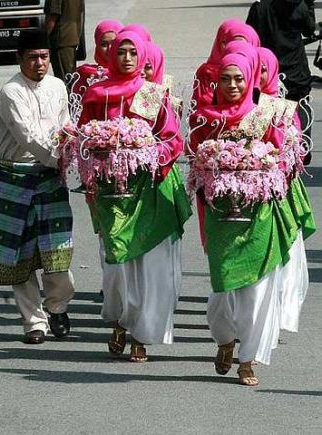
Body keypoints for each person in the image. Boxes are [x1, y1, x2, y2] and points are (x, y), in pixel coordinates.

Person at [188, 51, 315, 385]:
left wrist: (262, 167)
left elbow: (285, 159)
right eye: (226, 78)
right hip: (220, 216)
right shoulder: (206, 118)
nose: (232, 85)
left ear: (250, 81)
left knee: (256, 291)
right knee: (221, 291)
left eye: (239, 78)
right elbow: (193, 160)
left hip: (258, 214)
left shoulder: (268, 115)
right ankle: (225, 340)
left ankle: (248, 360)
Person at [79, 31, 192, 362]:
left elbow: (172, 140)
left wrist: (144, 152)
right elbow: (82, 138)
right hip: (111, 192)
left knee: (147, 265)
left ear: (142, 58)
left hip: (148, 190)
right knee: (117, 266)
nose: (127, 58)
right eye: (121, 52)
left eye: (133, 53)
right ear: (112, 56)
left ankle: (141, 336)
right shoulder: (97, 94)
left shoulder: (152, 95)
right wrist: (100, 147)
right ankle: (120, 321)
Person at [0, 30, 75, 345]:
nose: (40, 63)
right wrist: (58, 159)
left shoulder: (58, 86)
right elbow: (28, 136)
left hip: (50, 176)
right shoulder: (11, 92)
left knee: (57, 248)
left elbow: (65, 127)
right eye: (33, 57)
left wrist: (76, 151)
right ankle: (33, 323)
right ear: (18, 58)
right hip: (16, 176)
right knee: (19, 254)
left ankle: (58, 307)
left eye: (45, 57)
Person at [246, 0, 316, 164]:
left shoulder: (260, 7)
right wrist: (310, 6)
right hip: (295, 69)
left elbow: (250, 35)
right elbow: (309, 29)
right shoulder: (299, 6)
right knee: (300, 104)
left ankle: (266, 148)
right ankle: (302, 146)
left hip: (267, 69)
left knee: (266, 107)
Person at [73, 19, 124, 95]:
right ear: (97, 46)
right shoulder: (85, 76)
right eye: (104, 44)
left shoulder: (133, 75)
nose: (109, 48)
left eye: (114, 43)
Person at [44, 0, 85, 87]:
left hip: (60, 39)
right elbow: (81, 14)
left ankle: (67, 100)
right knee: (70, 78)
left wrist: (42, 38)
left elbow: (53, 17)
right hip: (72, 37)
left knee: (64, 81)